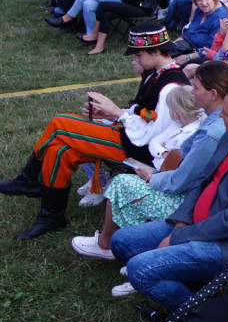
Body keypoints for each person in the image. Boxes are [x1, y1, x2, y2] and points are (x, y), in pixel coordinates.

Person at [110, 82, 228, 322]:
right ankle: (195, 293)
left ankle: (202, 319)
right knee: (121, 242)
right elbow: (202, 180)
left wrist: (177, 238)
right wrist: (181, 222)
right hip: (197, 224)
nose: (220, 117)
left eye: (225, 114)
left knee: (139, 271)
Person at [0, 24, 188, 239]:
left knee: (60, 123)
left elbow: (153, 135)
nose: (136, 59)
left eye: (139, 54)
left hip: (139, 152)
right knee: (60, 151)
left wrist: (117, 113)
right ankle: (51, 216)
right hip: (129, 138)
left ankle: (28, 179)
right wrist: (110, 115)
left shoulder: (171, 86)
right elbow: (143, 114)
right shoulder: (157, 74)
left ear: (156, 51)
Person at [70, 63, 228, 272]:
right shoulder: (218, 119)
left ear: (213, 94)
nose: (192, 91)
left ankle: (107, 245)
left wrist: (152, 177)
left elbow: (183, 181)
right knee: (130, 183)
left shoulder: (212, 131)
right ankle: (132, 247)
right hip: (199, 193)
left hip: (192, 201)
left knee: (123, 183)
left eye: (196, 87)